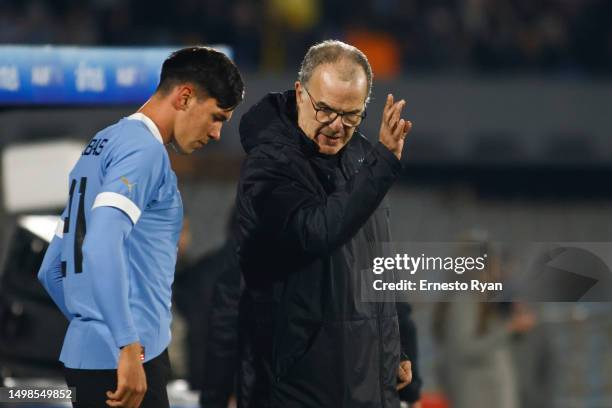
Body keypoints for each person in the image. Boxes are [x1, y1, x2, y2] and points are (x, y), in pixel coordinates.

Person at [37, 46, 244, 408]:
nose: (215, 133)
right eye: (217, 117)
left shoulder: (102, 145)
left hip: (92, 357)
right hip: (129, 362)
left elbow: (52, 268)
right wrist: (125, 344)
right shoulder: (144, 151)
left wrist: (94, 328)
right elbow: (101, 244)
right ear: (185, 97)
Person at [235, 40, 421, 407]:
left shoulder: (364, 157)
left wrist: (391, 346)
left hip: (363, 376)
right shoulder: (269, 165)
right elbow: (315, 232)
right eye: (326, 110)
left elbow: (376, 260)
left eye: (352, 115)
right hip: (297, 387)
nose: (337, 126)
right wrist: (382, 167)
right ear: (300, 93)